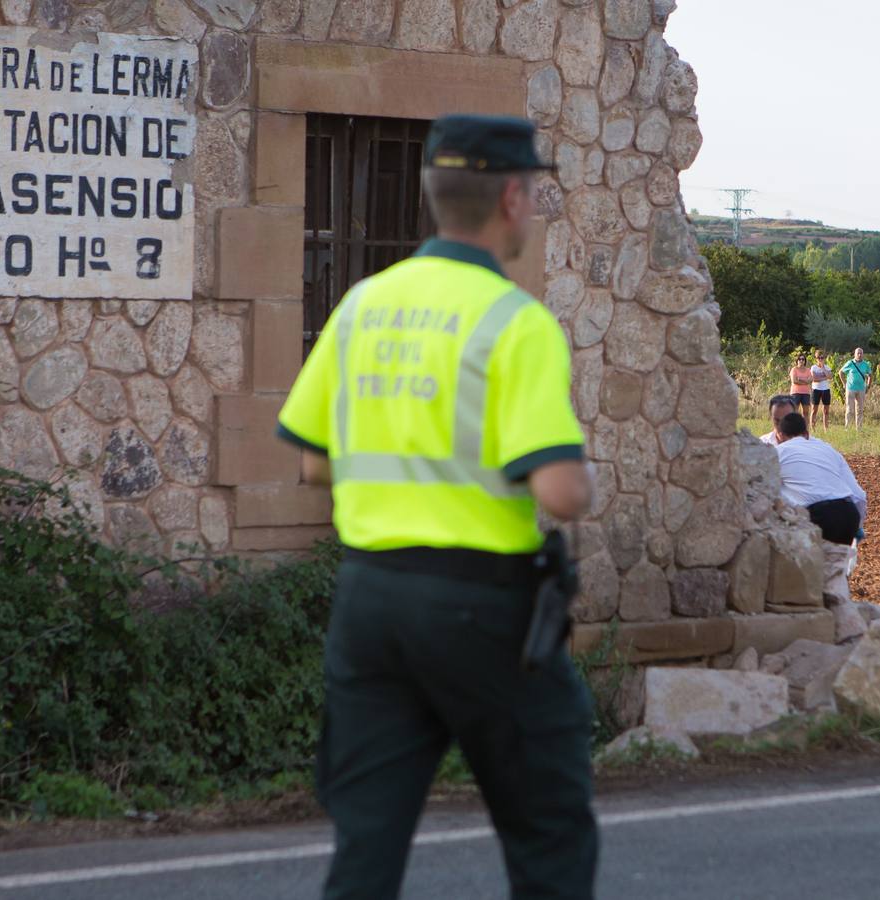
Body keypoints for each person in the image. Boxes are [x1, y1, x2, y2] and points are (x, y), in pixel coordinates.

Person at [277, 114, 597, 899]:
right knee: (548, 832)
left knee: (367, 842)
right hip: (483, 608)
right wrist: (577, 479)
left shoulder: (360, 305)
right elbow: (557, 491)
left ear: (431, 194)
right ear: (513, 199)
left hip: (368, 601)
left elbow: (317, 466)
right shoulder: (513, 321)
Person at [774, 412, 867, 641]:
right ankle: (846, 630)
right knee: (836, 571)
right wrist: (858, 527)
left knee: (815, 576)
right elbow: (858, 494)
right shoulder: (827, 449)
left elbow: (770, 492)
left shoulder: (778, 452)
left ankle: (824, 631)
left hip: (819, 515)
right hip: (847, 513)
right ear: (806, 433)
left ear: (779, 435)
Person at [839, 347, 872, 430]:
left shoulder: (866, 364)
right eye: (858, 353)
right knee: (850, 409)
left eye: (861, 353)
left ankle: (859, 429)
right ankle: (848, 428)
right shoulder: (850, 363)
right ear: (855, 354)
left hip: (861, 389)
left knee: (860, 409)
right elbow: (841, 372)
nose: (860, 355)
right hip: (850, 388)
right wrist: (844, 384)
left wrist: (868, 385)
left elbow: (870, 375)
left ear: (863, 354)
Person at [810, 349, 833, 432]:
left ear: (824, 358)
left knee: (826, 410)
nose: (820, 359)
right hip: (816, 390)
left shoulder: (827, 367)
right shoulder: (813, 367)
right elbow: (814, 379)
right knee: (814, 410)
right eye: (818, 358)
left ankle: (826, 429)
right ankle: (813, 428)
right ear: (816, 358)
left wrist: (823, 368)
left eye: (822, 357)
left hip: (826, 390)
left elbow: (830, 377)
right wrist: (825, 377)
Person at [788, 353, 812, 418]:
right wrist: (805, 382)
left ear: (805, 361)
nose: (801, 360)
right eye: (799, 359)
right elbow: (794, 381)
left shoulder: (808, 370)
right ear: (797, 361)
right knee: (794, 411)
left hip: (806, 393)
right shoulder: (794, 369)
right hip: (795, 393)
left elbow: (810, 381)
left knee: (806, 412)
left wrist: (800, 379)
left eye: (803, 359)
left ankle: (805, 428)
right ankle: (793, 427)